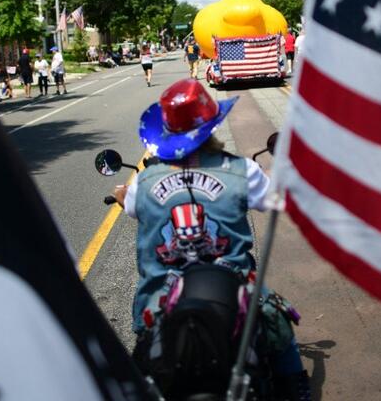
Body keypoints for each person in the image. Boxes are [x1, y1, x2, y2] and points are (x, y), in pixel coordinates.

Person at [113, 79, 309, 399]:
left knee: (144, 344)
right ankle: (296, 389)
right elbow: (275, 200)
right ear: (211, 127)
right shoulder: (241, 170)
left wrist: (125, 197)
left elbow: (133, 208)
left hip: (163, 292)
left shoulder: (144, 181)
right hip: (232, 284)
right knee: (280, 329)